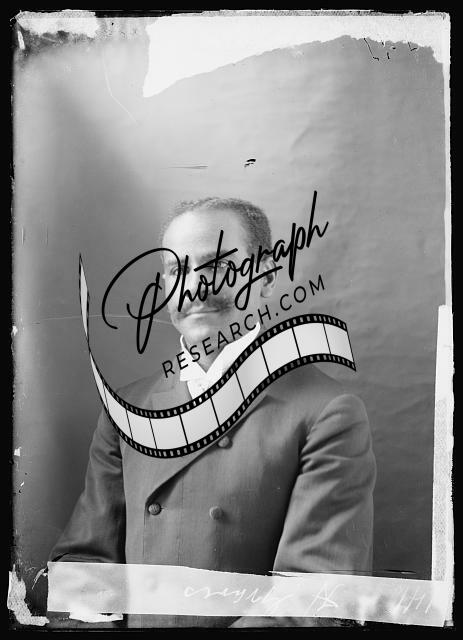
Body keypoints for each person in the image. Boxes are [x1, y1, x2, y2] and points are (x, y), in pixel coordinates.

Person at [49, 197, 376, 628]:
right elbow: (84, 565)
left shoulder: (328, 413)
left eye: (218, 265)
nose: (195, 287)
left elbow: (312, 599)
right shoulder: (125, 410)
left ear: (266, 279)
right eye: (176, 270)